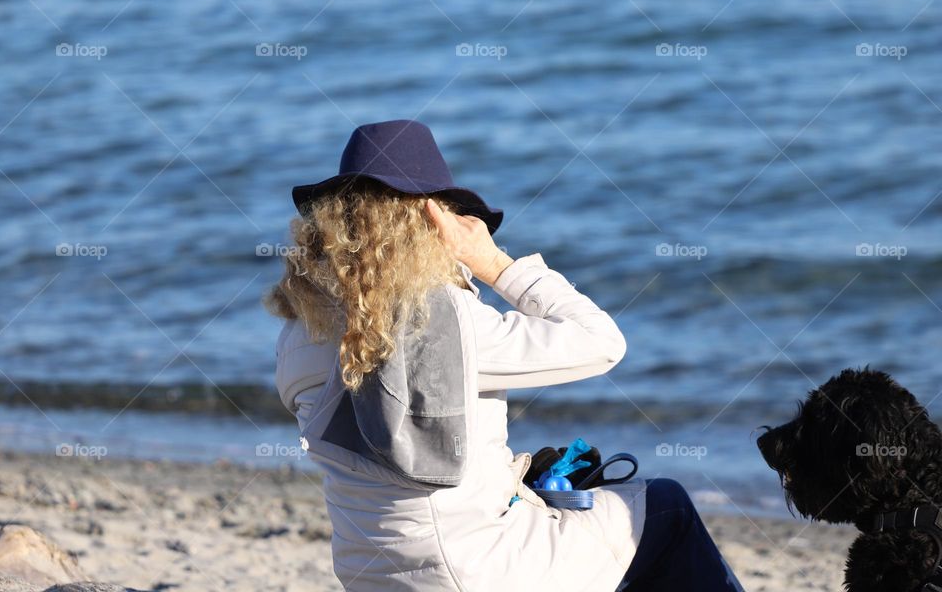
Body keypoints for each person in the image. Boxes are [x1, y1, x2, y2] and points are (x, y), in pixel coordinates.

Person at [266, 119, 744, 591]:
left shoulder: (296, 332)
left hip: (367, 570)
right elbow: (602, 342)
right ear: (433, 220)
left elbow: (393, 440)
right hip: (474, 569)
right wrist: (493, 264)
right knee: (665, 507)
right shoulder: (447, 322)